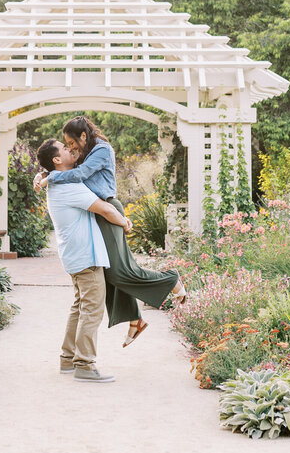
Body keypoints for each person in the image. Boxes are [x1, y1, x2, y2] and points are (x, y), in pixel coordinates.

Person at [35, 116, 186, 347]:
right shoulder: (84, 153)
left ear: (82, 136)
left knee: (120, 271)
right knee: (110, 271)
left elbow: (79, 174)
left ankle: (171, 279)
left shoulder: (102, 150)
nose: (71, 148)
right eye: (66, 145)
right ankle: (135, 319)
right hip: (98, 212)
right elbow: (65, 166)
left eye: (71, 142)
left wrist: (50, 177)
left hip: (107, 209)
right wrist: (43, 174)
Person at [37, 138, 132, 383]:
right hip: (85, 256)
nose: (71, 149)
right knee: (92, 310)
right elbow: (105, 209)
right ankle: (84, 364)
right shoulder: (68, 187)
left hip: (75, 254)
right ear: (57, 160)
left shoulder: (58, 183)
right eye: (65, 148)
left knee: (80, 307)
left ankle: (68, 359)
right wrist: (125, 222)